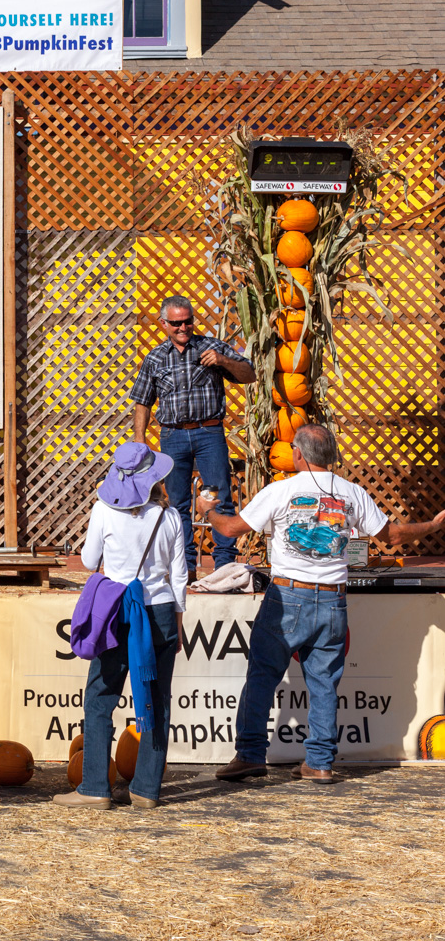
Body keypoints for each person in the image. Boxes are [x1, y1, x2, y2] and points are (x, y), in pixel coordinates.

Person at [197, 425, 445, 784]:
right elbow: (391, 536)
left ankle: (251, 754)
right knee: (324, 683)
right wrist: (431, 526)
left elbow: (233, 529)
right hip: (332, 598)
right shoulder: (352, 493)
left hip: (288, 596)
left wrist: (208, 511)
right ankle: (320, 762)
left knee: (263, 676)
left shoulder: (281, 490)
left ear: (298, 454)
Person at [54, 441, 188, 810]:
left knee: (100, 697)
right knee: (157, 700)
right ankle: (146, 789)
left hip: (116, 611)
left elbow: (88, 559)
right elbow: (179, 577)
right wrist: (178, 621)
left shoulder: (103, 510)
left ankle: (95, 786)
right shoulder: (170, 516)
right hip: (159, 612)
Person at [130, 295, 256, 575]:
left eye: (187, 321)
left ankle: (224, 563)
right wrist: (140, 440)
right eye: (176, 323)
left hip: (209, 432)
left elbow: (249, 374)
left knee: (219, 497)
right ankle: (183, 566)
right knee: (177, 503)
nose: (183, 328)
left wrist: (223, 360)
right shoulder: (155, 358)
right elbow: (142, 400)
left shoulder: (211, 347)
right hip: (172, 436)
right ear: (164, 323)